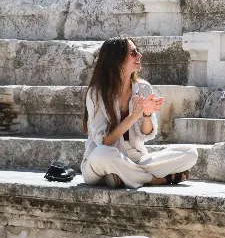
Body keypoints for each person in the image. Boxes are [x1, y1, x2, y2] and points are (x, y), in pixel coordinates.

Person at [81, 36, 198, 188]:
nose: (139, 56)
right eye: (133, 53)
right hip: (104, 159)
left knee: (190, 153)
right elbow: (104, 142)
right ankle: (155, 180)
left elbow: (147, 133)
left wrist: (147, 115)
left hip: (134, 157)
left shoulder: (143, 88)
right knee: (101, 154)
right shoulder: (96, 93)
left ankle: (122, 176)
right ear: (117, 59)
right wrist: (133, 117)